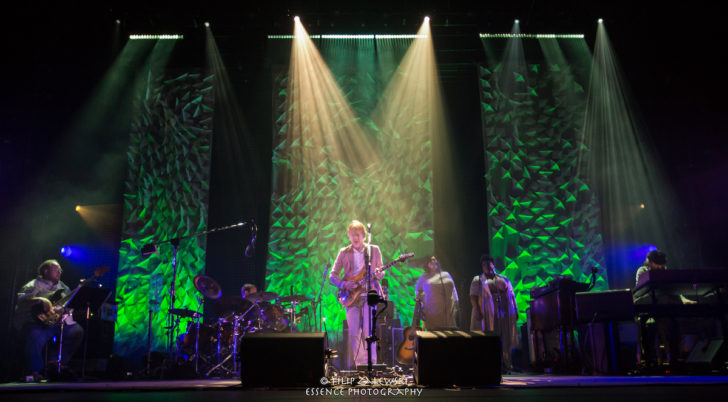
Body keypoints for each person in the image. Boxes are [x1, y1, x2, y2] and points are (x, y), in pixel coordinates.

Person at [15, 260, 84, 381]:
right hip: (38, 323)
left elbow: (68, 305)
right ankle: (34, 371)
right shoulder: (34, 284)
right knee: (35, 336)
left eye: (60, 270)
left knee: (76, 331)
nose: (59, 272)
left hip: (57, 323)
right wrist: (41, 299)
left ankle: (55, 364)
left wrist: (67, 311)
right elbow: (21, 299)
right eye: (56, 269)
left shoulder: (63, 287)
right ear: (45, 271)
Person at [329, 220, 384, 369]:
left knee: (369, 332)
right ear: (348, 235)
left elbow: (380, 271)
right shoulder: (343, 252)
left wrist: (380, 274)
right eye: (352, 234)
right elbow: (332, 276)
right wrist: (344, 284)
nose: (355, 237)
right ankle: (360, 366)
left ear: (364, 235)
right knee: (354, 333)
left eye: (357, 234)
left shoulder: (374, 250)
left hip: (368, 296)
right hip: (351, 297)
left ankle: (371, 366)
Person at [470, 254, 519, 371]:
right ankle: (489, 364)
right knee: (489, 336)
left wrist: (515, 310)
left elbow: (512, 295)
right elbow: (473, 296)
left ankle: (506, 363)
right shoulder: (478, 280)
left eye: (488, 264)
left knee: (504, 336)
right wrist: (476, 309)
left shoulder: (503, 278)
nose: (486, 266)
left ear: (493, 265)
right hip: (486, 311)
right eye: (484, 265)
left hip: (503, 311)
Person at [414, 255, 459, 330]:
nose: (434, 261)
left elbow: (454, 291)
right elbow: (418, 295)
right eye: (431, 260)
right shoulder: (423, 277)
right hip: (432, 313)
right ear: (427, 263)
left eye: (435, 260)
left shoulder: (446, 274)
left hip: (447, 312)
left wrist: (457, 305)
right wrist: (420, 310)